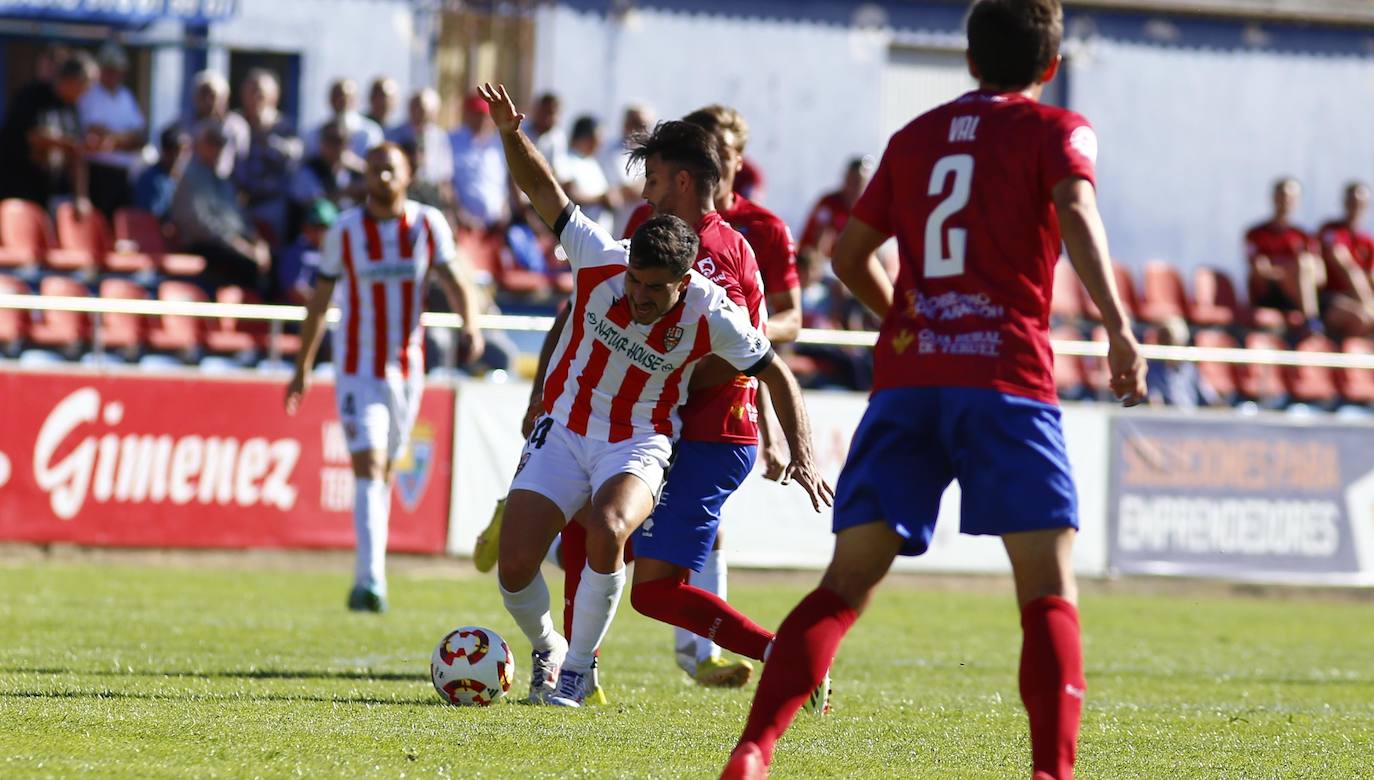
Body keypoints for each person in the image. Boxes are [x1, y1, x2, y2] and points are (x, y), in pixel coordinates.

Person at [719, 2, 1147, 778]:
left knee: (844, 585)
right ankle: (1051, 772)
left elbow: (850, 255)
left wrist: (909, 321)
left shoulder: (913, 139)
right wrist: (1119, 328)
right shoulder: (1057, 131)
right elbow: (1077, 209)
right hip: (1006, 379)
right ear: (1050, 66)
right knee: (1048, 590)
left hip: (910, 383)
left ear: (970, 58)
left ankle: (754, 749)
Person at [478, 83, 828, 710]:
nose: (637, 297)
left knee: (612, 530)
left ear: (685, 283)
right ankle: (548, 647)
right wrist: (510, 133)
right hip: (566, 426)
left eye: (653, 289)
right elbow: (544, 193)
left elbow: (773, 366)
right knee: (515, 565)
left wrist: (795, 448)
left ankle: (577, 673)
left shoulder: (712, 303)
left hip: (643, 436)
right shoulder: (604, 257)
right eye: (633, 282)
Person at [620, 103, 805, 679]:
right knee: (599, 529)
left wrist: (662, 381)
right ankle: (571, 669)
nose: (646, 195)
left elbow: (742, 354)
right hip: (664, 424)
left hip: (708, 430)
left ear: (681, 179)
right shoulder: (666, 235)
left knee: (648, 585)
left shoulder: (720, 250)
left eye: (652, 181)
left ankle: (777, 655)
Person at [285, 142, 485, 612]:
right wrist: (303, 368)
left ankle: (371, 572)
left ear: (408, 173)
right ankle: (369, 579)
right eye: (374, 169)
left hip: (407, 369)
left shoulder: (427, 224)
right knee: (369, 466)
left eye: (389, 169)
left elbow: (458, 281)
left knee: (386, 470)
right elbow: (319, 302)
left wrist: (471, 324)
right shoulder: (345, 230)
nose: (381, 177)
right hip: (356, 369)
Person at [171, 122, 272, 293]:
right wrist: (238, 245)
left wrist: (258, 244)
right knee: (249, 267)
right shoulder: (190, 176)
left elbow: (240, 219)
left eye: (221, 143)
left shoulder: (224, 180)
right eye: (212, 141)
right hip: (204, 246)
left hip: (231, 244)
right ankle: (242, 319)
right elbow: (200, 224)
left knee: (274, 262)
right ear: (200, 144)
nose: (216, 148)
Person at [0, 51, 95, 210]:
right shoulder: (33, 95)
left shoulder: (72, 108)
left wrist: (81, 197)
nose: (87, 91)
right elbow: (32, 135)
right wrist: (68, 143)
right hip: (15, 187)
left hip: (48, 192)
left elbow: (78, 154)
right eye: (86, 84)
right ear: (72, 80)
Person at [1244, 178, 1325, 333]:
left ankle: (1310, 320)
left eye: (1291, 197)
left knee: (1305, 263)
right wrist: (1293, 273)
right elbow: (1260, 272)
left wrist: (1294, 271)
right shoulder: (1256, 233)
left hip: (1297, 297)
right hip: (1270, 295)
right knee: (1303, 265)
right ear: (1273, 197)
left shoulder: (1304, 235)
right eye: (1282, 195)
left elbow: (1320, 276)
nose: (1286, 200)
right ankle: (1311, 320)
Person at [77, 42, 146, 218]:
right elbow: (95, 132)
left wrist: (114, 139)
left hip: (123, 174)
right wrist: (124, 138)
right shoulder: (90, 94)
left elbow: (140, 137)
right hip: (97, 173)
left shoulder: (126, 96)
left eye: (117, 69)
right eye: (109, 68)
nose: (113, 74)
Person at [234, 68, 302, 245]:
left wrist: (265, 134)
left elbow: (294, 158)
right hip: (237, 205)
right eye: (252, 91)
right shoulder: (235, 123)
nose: (256, 97)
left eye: (261, 92)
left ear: (274, 96)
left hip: (271, 205)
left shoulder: (284, 126)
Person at [1316, 182, 1374, 338]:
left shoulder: (1367, 240)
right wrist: (1368, 304)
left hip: (1357, 299)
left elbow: (1371, 276)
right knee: (1361, 317)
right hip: (1331, 299)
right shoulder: (1331, 231)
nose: (1356, 207)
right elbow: (1346, 267)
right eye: (1352, 201)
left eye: (1360, 203)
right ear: (1345, 202)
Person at [450, 93, 510, 231]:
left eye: (484, 114)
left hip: (496, 226)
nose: (481, 119)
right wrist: (461, 214)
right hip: (462, 225)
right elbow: (446, 183)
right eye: (475, 114)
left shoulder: (498, 144)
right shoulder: (451, 140)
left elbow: (504, 182)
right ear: (466, 114)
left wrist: (504, 211)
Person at [173, 70, 249, 178]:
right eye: (203, 94)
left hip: (223, 184)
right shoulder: (182, 123)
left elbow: (241, 164)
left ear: (225, 98)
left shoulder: (236, 126)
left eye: (213, 95)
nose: (208, 100)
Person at [798, 156, 873, 260]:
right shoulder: (829, 204)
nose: (854, 186)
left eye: (859, 181)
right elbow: (817, 238)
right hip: (821, 263)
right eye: (852, 180)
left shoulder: (869, 210)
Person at [290, 119, 367, 213]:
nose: (336, 146)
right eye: (331, 139)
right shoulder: (309, 170)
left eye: (341, 140)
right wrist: (344, 193)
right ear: (321, 142)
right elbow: (310, 206)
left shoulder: (356, 171)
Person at [601, 103, 654, 236]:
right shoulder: (608, 149)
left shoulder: (654, 154)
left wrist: (625, 191)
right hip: (614, 226)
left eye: (643, 125)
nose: (639, 129)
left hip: (643, 226)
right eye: (634, 123)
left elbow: (646, 186)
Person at [557, 115, 618, 230]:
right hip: (576, 234)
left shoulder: (593, 162)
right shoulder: (566, 159)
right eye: (597, 138)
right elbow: (569, 193)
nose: (600, 143)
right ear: (585, 137)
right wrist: (602, 199)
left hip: (597, 235)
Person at [386, 88, 455, 188]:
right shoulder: (393, 134)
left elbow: (445, 175)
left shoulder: (440, 137)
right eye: (417, 107)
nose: (421, 113)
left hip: (429, 192)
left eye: (426, 110)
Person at [277, 198, 338, 305]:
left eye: (325, 227)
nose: (320, 233)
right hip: (305, 317)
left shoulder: (342, 251)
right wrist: (324, 304)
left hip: (339, 316)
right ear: (305, 227)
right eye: (315, 226)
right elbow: (296, 291)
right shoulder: (295, 253)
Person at [311, 78, 385, 160]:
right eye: (337, 96)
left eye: (347, 97)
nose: (342, 100)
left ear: (356, 99)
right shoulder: (316, 132)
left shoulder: (371, 131)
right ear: (330, 99)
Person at [133, 125, 189, 222]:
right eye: (181, 151)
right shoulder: (151, 179)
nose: (183, 157)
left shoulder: (178, 179)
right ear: (168, 152)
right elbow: (153, 218)